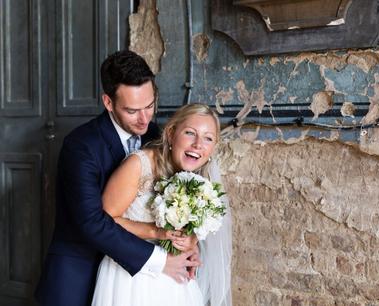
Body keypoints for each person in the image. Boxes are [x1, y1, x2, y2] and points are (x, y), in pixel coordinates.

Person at [35, 50, 200, 306]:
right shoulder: (80, 146)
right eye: (133, 111)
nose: (145, 118)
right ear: (108, 102)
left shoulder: (157, 135)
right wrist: (160, 260)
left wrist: (188, 242)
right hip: (81, 272)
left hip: (138, 285)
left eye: (150, 105)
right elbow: (92, 222)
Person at [91, 103, 232, 306]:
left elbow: (190, 229)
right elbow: (104, 220)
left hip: (174, 280)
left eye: (208, 138)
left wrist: (191, 242)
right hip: (131, 277)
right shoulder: (139, 165)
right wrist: (157, 232)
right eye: (190, 133)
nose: (198, 144)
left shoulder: (200, 179)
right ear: (171, 133)